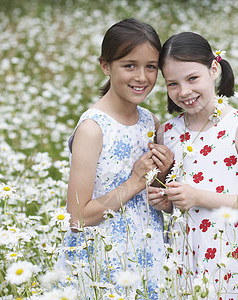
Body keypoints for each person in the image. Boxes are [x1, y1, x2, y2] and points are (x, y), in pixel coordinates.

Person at [148, 32, 238, 299]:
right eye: (173, 84)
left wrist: (197, 196)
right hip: (183, 255)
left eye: (193, 78)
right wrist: (166, 201)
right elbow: (178, 198)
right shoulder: (167, 132)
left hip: (231, 256)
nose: (184, 92)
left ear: (214, 69)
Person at [55, 18, 173, 299]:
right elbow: (76, 217)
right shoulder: (92, 128)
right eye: (129, 65)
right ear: (105, 66)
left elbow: (155, 195)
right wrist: (135, 181)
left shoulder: (150, 121)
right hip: (102, 260)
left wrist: (163, 175)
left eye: (151, 67)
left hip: (147, 253)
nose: (142, 77)